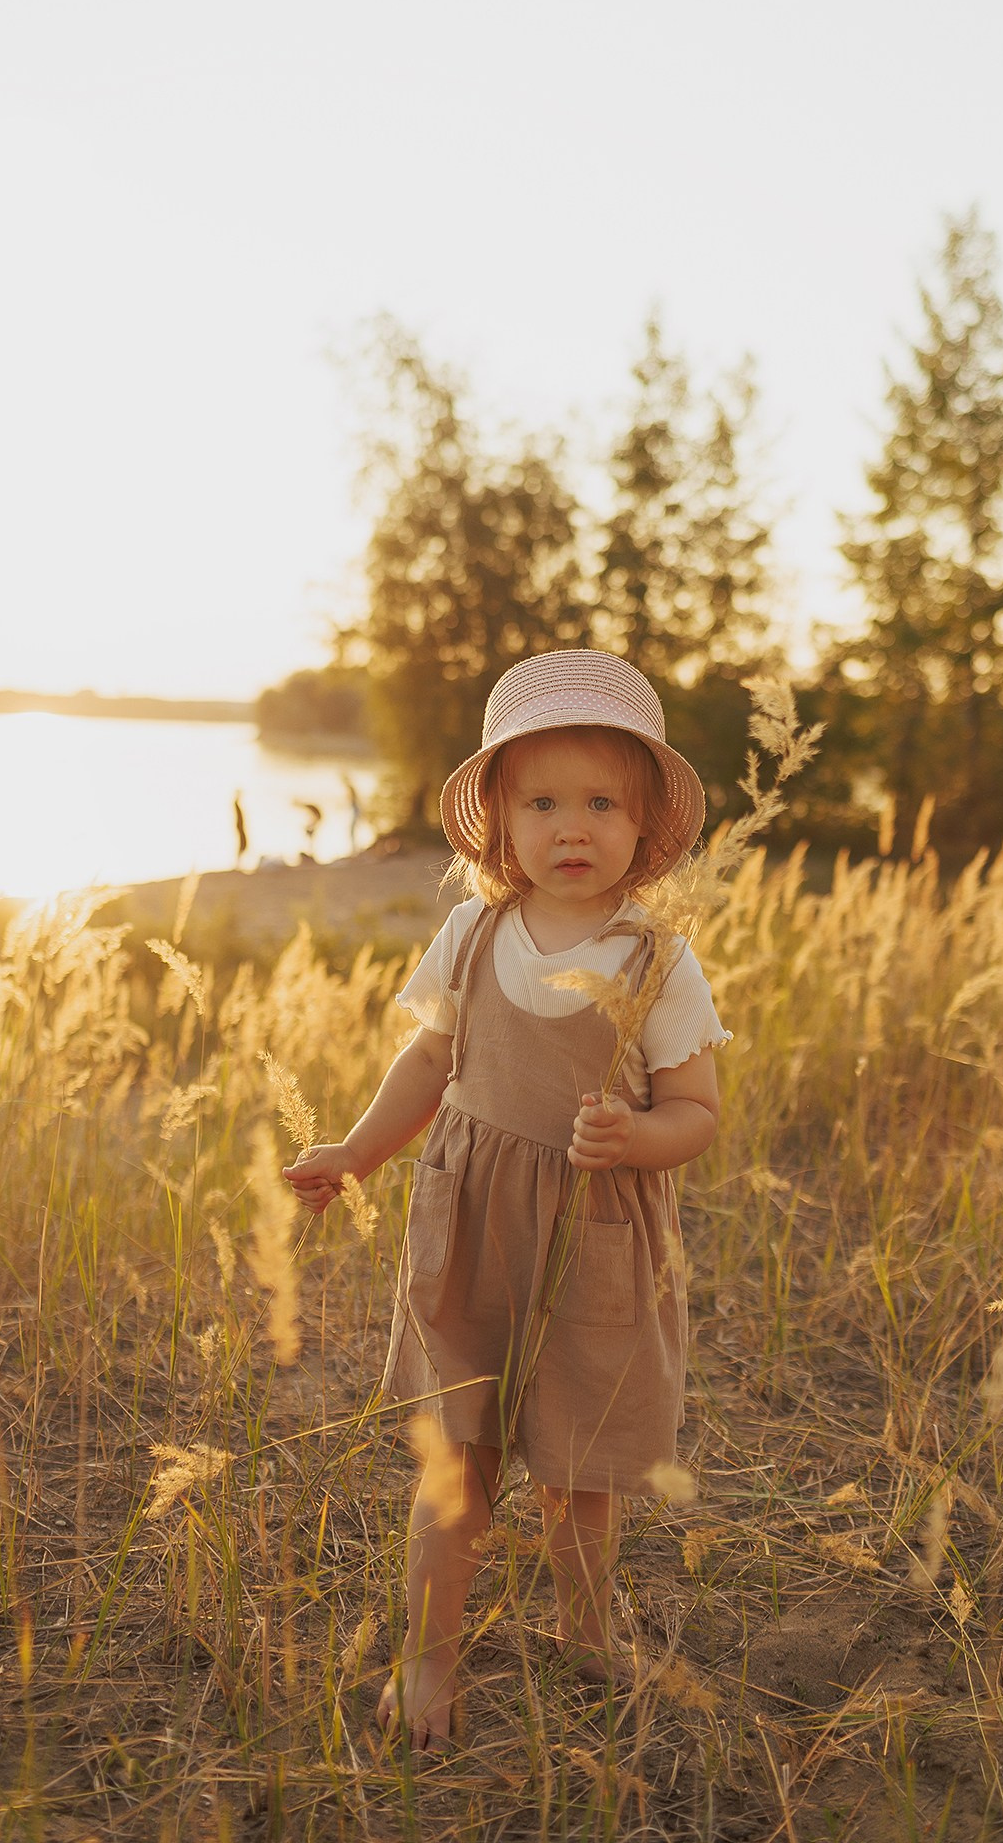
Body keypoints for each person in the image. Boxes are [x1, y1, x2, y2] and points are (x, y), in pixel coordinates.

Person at [283, 650, 726, 1751]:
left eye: (599, 803)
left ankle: (587, 1623)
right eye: (541, 801)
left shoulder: (657, 961)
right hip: (471, 1229)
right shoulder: (473, 935)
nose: (569, 827)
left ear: (642, 826)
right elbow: (429, 1064)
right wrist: (356, 1150)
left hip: (593, 1238)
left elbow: (698, 1111)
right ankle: (429, 1657)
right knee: (456, 1461)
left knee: (579, 1477)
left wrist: (637, 1139)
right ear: (497, 817)